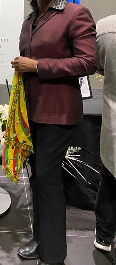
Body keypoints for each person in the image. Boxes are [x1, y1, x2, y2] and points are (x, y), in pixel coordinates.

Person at [11, 0, 97, 265]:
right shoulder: (30, 20)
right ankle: (40, 238)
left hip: (58, 112)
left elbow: (87, 63)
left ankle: (54, 254)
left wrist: (37, 66)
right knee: (36, 177)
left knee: (47, 178)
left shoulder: (75, 14)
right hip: (31, 112)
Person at [94, 14, 116, 252]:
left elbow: (97, 64)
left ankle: (104, 235)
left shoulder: (106, 27)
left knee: (111, 178)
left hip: (114, 116)